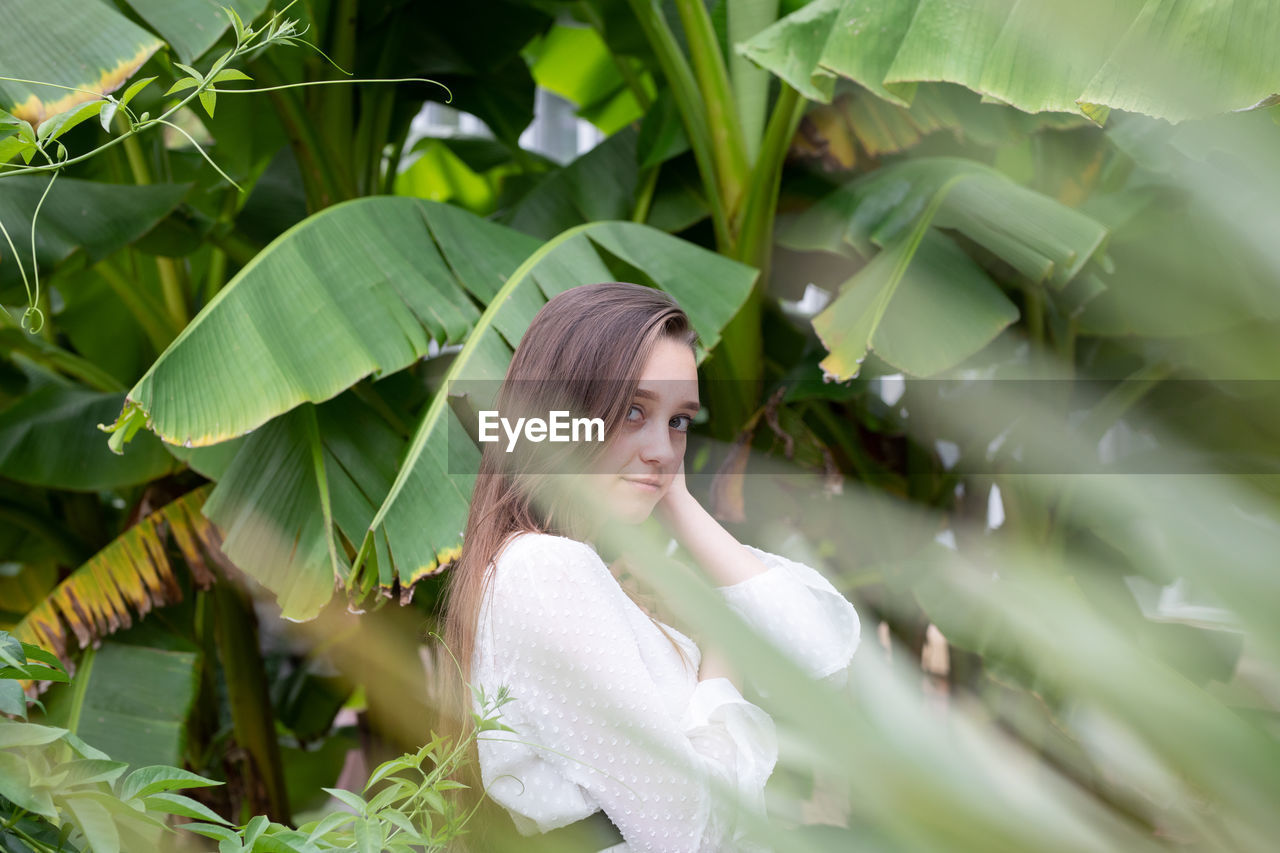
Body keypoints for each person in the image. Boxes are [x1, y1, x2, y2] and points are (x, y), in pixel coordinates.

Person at [441, 282, 860, 852]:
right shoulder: (544, 568)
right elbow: (683, 831)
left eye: (679, 421)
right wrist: (724, 646)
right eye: (634, 410)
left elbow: (821, 651)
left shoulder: (569, 568)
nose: (663, 448)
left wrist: (679, 502)